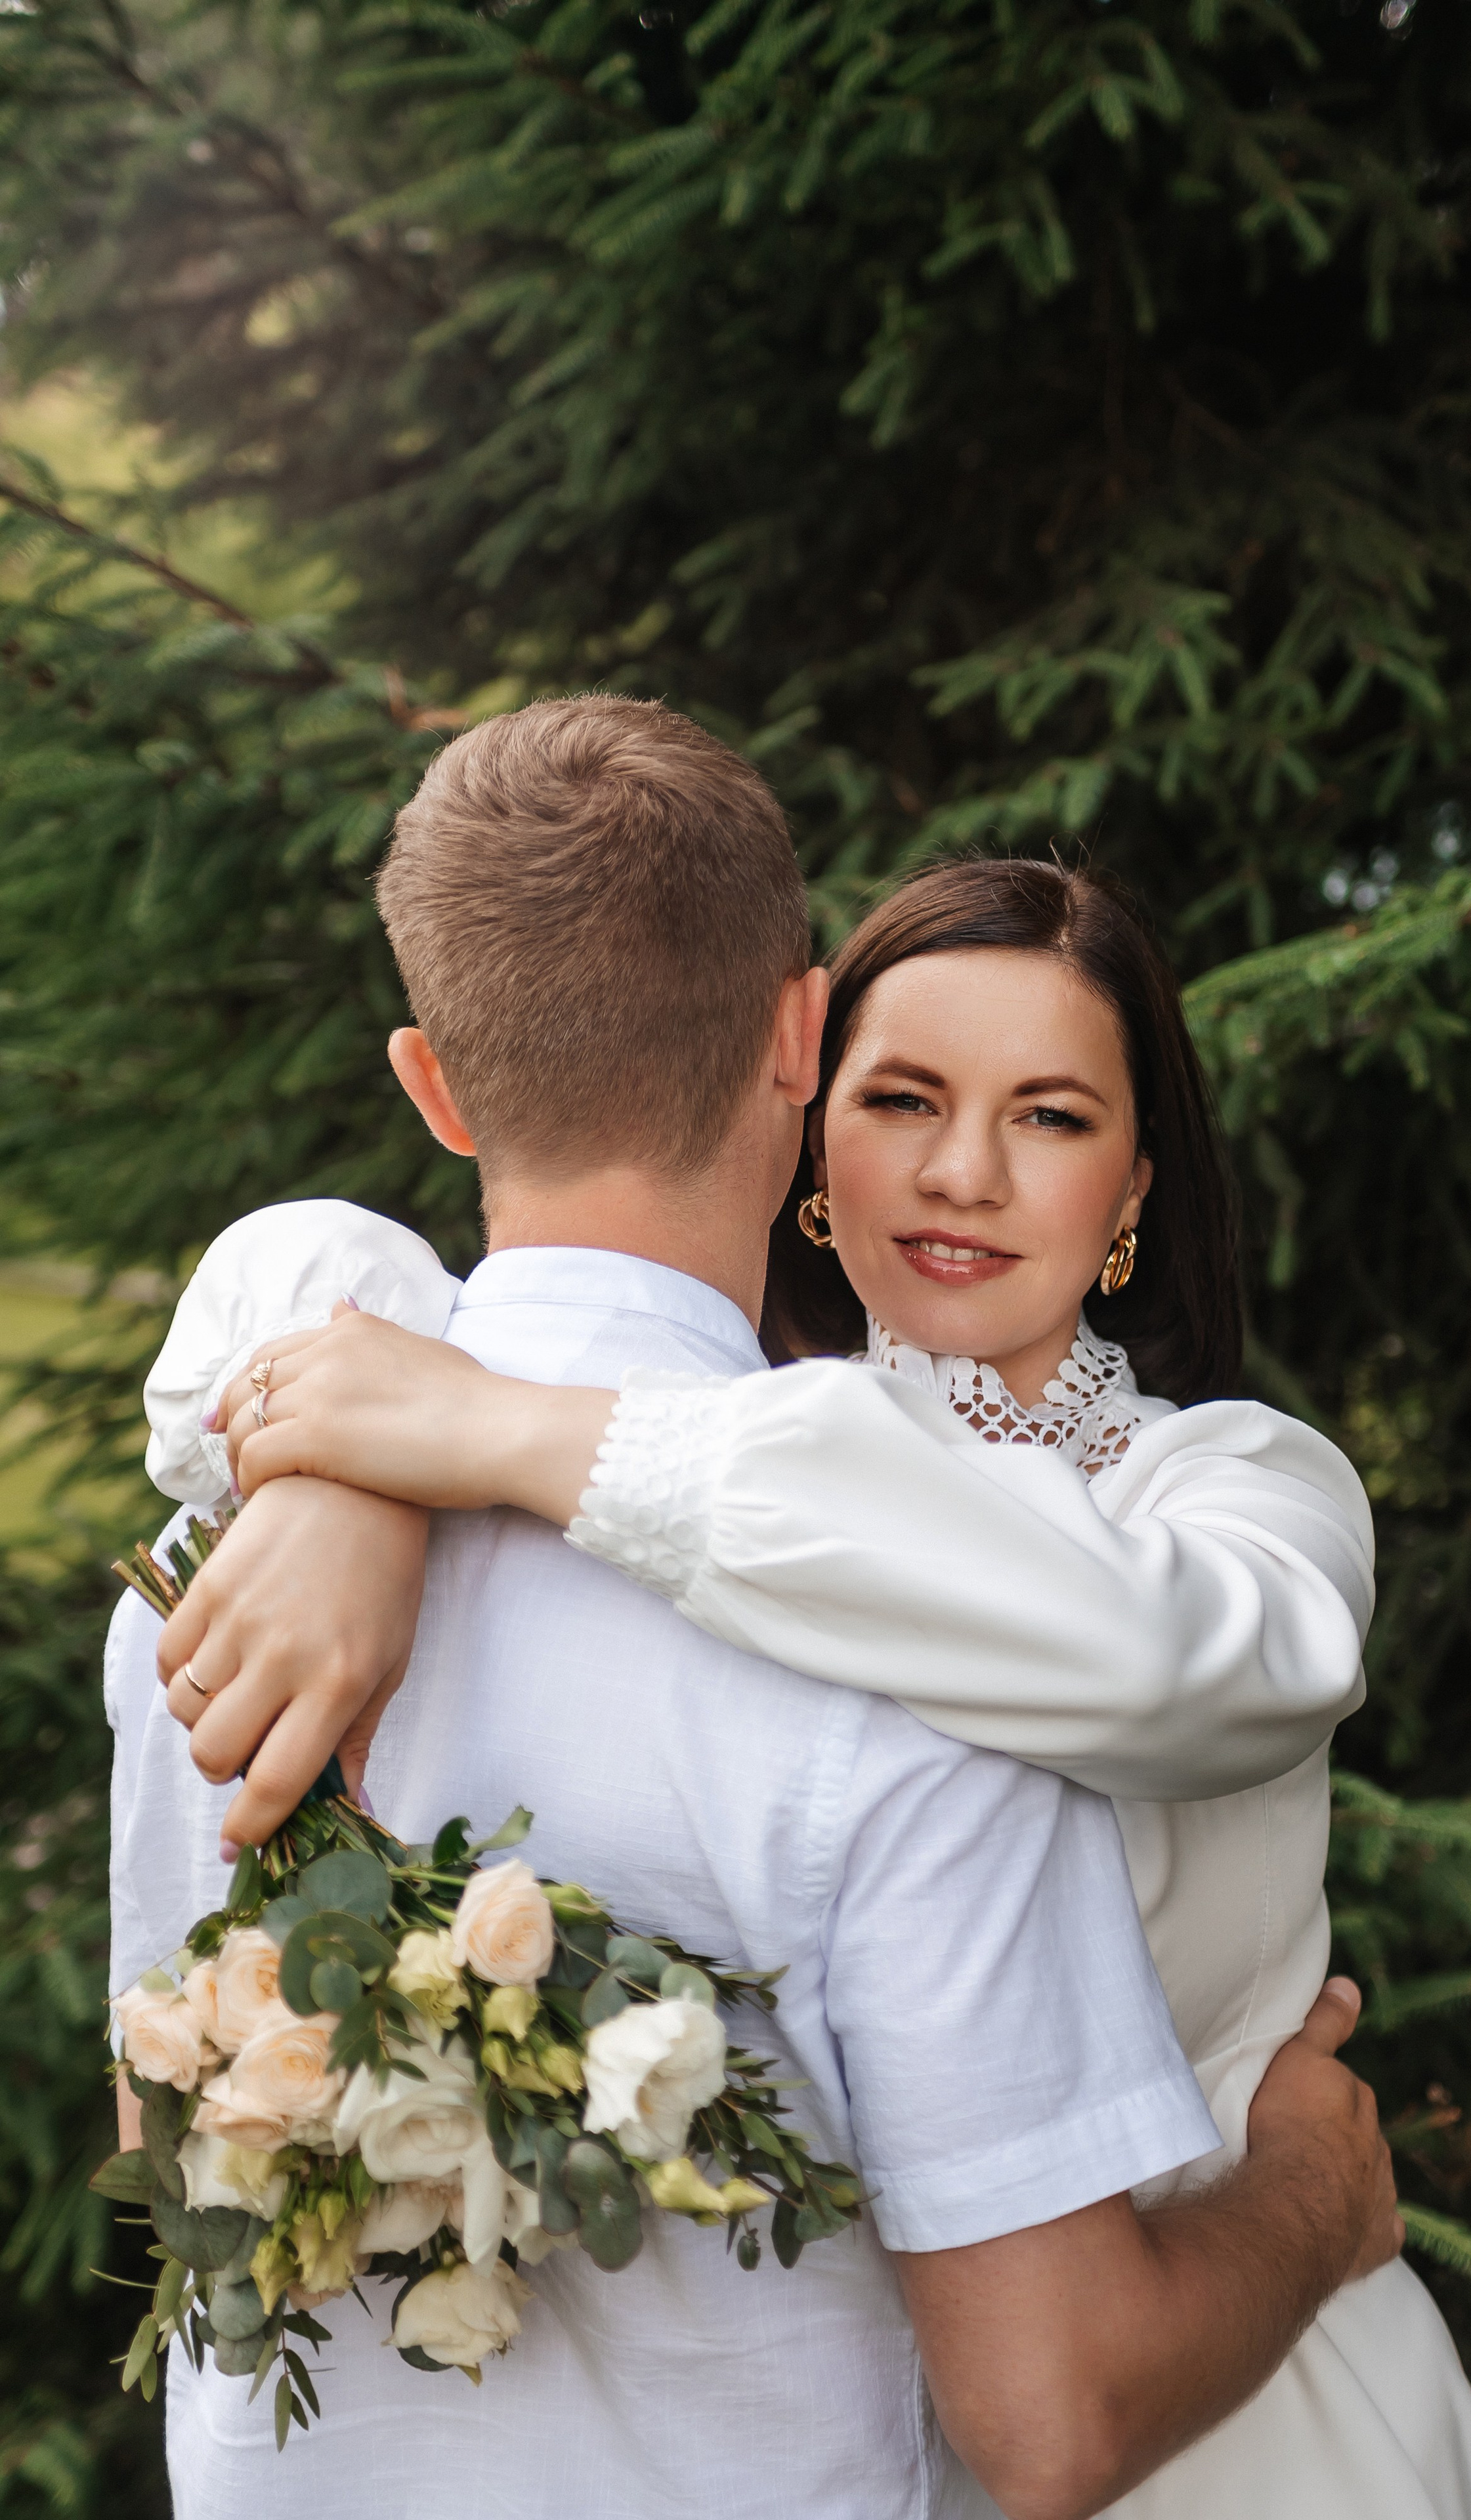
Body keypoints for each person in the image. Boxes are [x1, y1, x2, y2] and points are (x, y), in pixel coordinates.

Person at [107, 696, 1401, 2520]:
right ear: (803, 1053)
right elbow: (1049, 2417)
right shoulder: (872, 1649)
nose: (963, 1172)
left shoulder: (200, 1590)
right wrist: (347, 1468)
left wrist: (419, 1443)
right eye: (906, 1098)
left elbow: (162, 2147)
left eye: (1048, 1116)